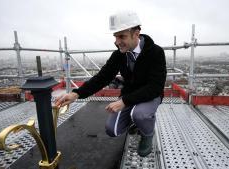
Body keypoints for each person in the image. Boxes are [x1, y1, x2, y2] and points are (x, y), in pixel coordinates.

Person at [55, 10, 167, 157]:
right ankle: (136, 122)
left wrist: (124, 101)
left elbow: (155, 87)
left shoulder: (155, 52)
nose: (117, 41)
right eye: (115, 36)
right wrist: (76, 93)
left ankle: (147, 133)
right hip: (130, 95)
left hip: (150, 96)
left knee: (139, 114)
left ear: (136, 34)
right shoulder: (119, 54)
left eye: (122, 36)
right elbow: (103, 77)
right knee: (112, 130)